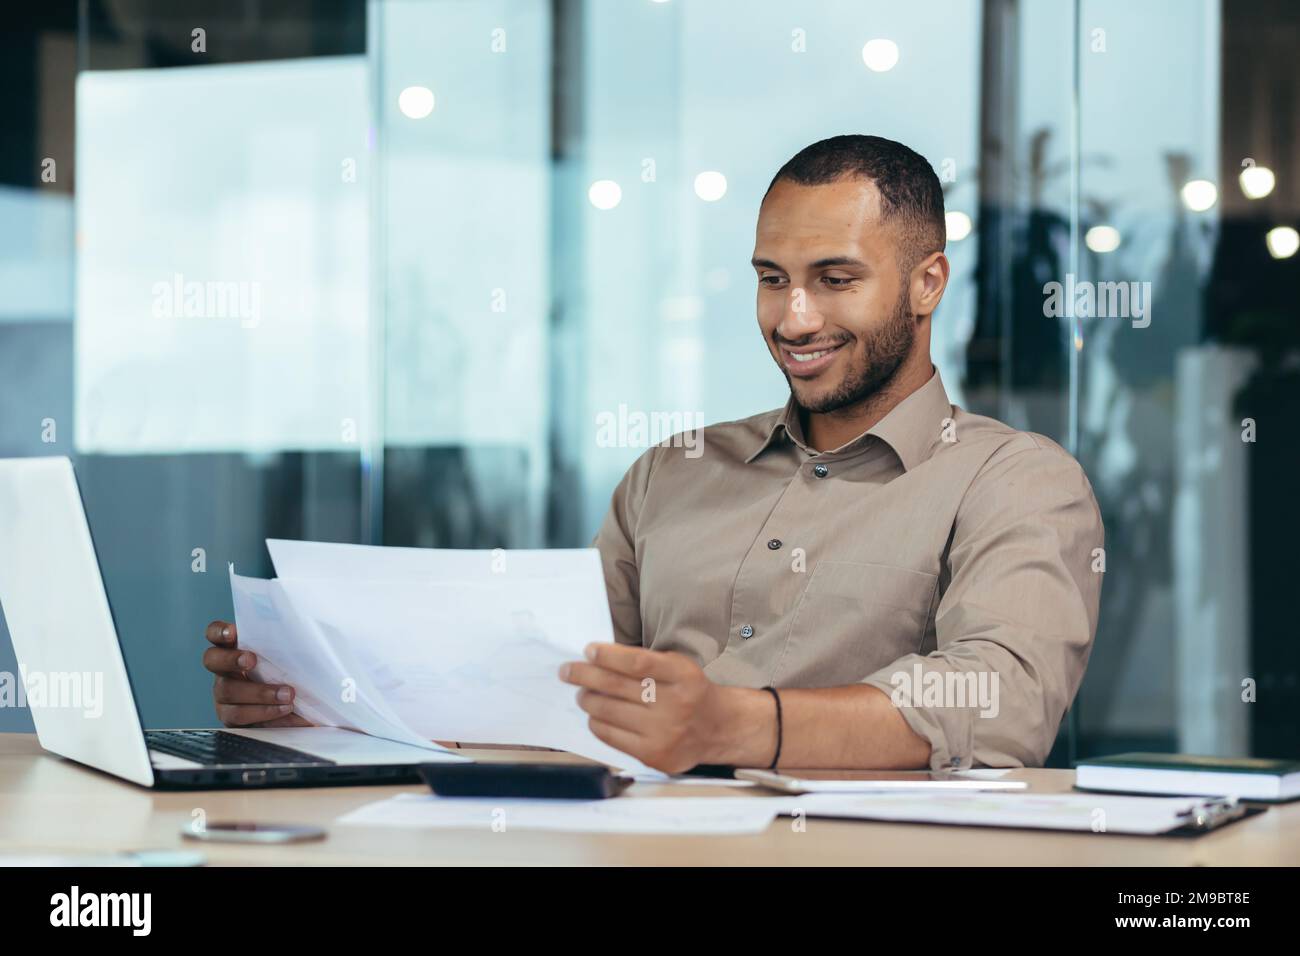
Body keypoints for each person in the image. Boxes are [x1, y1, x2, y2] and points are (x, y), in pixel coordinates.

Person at [203, 134, 1104, 774]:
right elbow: (554, 694)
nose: (794, 318)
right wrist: (322, 706)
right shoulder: (673, 469)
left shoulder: (1016, 481)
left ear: (927, 283)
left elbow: (1002, 700)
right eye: (771, 279)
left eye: (836, 280)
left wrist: (732, 725)